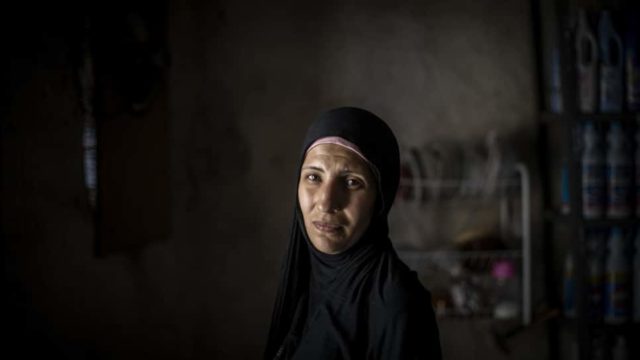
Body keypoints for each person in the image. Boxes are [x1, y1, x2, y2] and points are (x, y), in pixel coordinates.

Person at [265, 107, 441, 360]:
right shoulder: (305, 275)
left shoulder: (397, 305)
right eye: (313, 177)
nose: (326, 202)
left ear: (380, 199)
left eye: (351, 182)